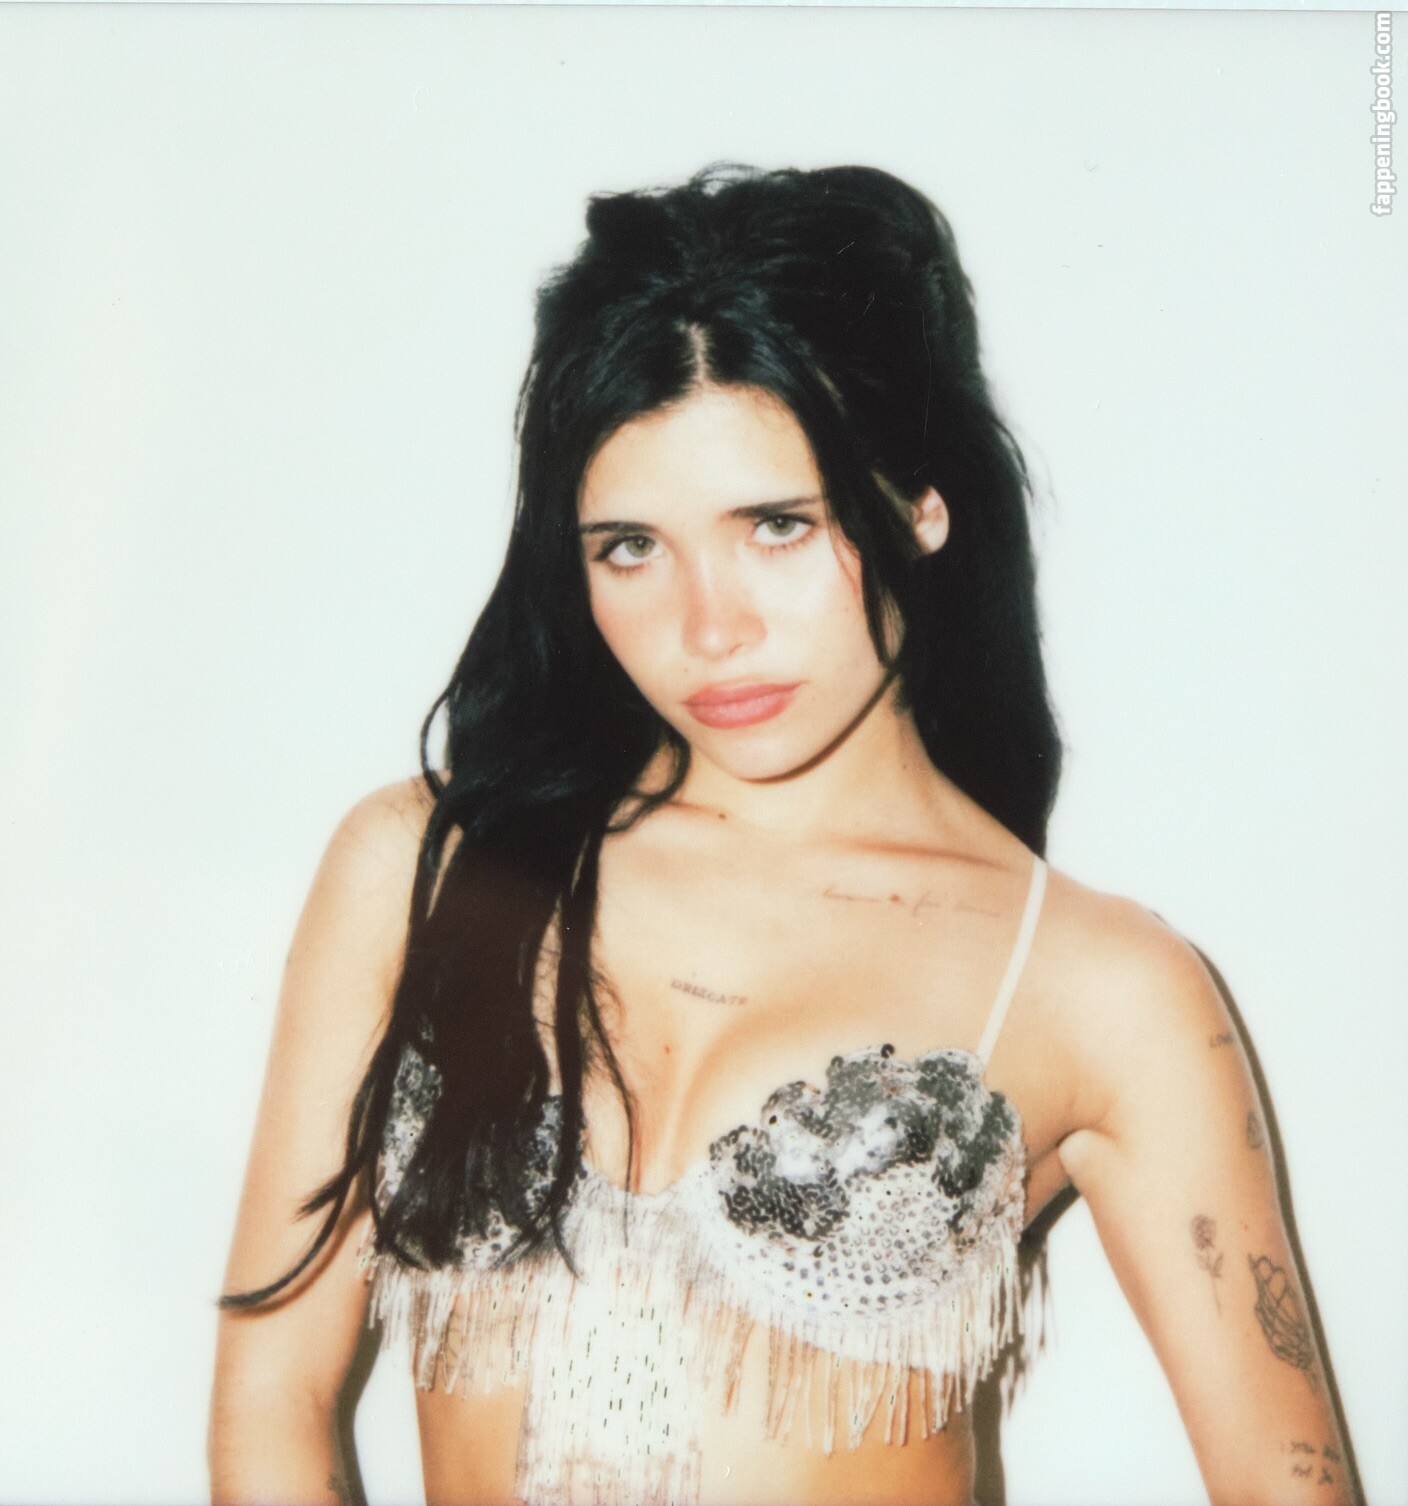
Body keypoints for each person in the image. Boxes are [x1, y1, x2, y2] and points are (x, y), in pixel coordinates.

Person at [208, 163, 1356, 1506]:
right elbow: (271, 1407)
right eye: (631, 547)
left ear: (920, 504)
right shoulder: (424, 867)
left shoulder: (1097, 984)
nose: (711, 628)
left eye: (776, 526)